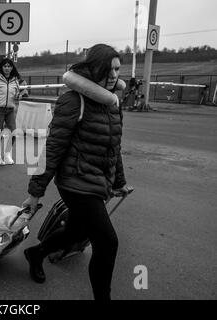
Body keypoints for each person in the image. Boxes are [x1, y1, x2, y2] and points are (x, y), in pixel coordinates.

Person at [22, 44, 132, 301]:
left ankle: (36, 254)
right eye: (110, 69)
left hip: (97, 180)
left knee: (77, 232)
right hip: (75, 182)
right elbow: (53, 148)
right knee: (107, 242)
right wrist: (34, 193)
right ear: (95, 68)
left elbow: (113, 146)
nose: (115, 75)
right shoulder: (73, 100)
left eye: (118, 69)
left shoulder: (112, 102)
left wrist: (120, 182)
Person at [0, 58, 20, 165]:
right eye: (5, 66)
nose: (7, 68)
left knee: (13, 131)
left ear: (12, 68)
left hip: (10, 109)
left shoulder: (15, 80)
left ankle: (7, 154)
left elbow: (17, 94)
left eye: (9, 66)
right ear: (1, 67)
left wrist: (18, 96)